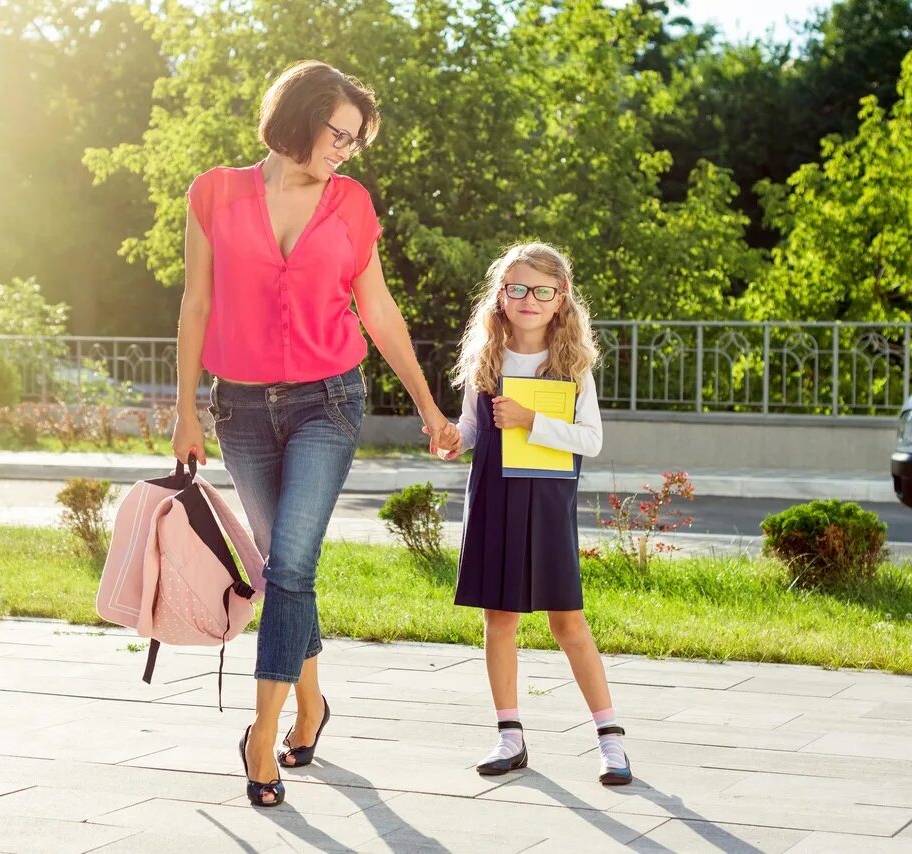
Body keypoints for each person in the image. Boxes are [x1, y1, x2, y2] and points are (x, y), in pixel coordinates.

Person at [171, 60, 461, 807]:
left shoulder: (351, 205)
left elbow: (380, 309)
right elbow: (195, 307)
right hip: (239, 406)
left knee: (293, 565)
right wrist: (184, 409)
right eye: (340, 133)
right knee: (279, 565)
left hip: (328, 402)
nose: (346, 149)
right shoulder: (214, 192)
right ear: (300, 115)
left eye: (357, 141)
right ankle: (311, 704)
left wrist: (429, 408)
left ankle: (260, 736)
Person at [438, 242, 632, 785]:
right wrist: (453, 439)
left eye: (542, 291)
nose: (529, 299)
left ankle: (610, 739)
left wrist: (528, 420)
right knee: (498, 619)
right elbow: (475, 430)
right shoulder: (486, 359)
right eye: (518, 288)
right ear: (501, 296)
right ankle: (509, 735)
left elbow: (590, 440)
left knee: (566, 620)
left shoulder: (570, 365)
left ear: (559, 300)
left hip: (547, 500)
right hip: (495, 497)